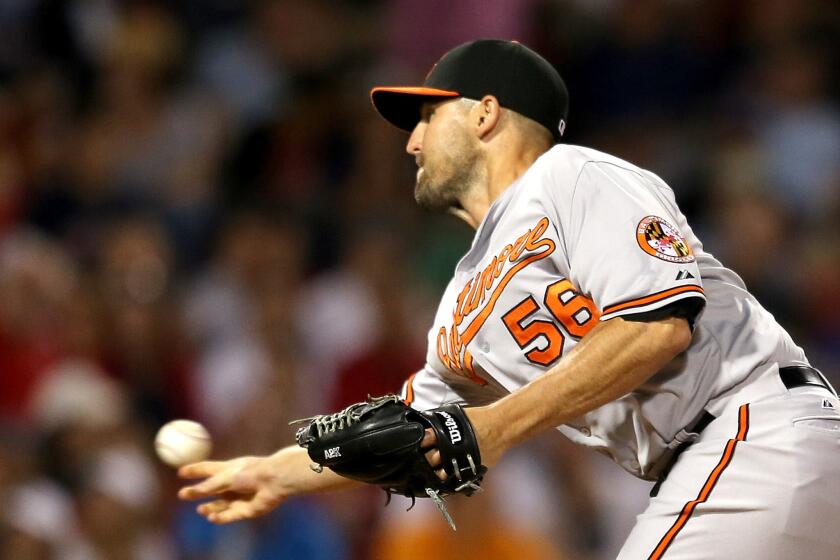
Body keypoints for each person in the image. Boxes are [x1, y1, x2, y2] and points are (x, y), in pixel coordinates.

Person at [178, 39, 840, 558]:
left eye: (428, 118)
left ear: (486, 114)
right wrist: (280, 473)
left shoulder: (572, 176)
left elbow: (660, 327)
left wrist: (496, 425)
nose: (410, 140)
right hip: (718, 467)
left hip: (754, 427)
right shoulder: (462, 305)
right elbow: (408, 432)